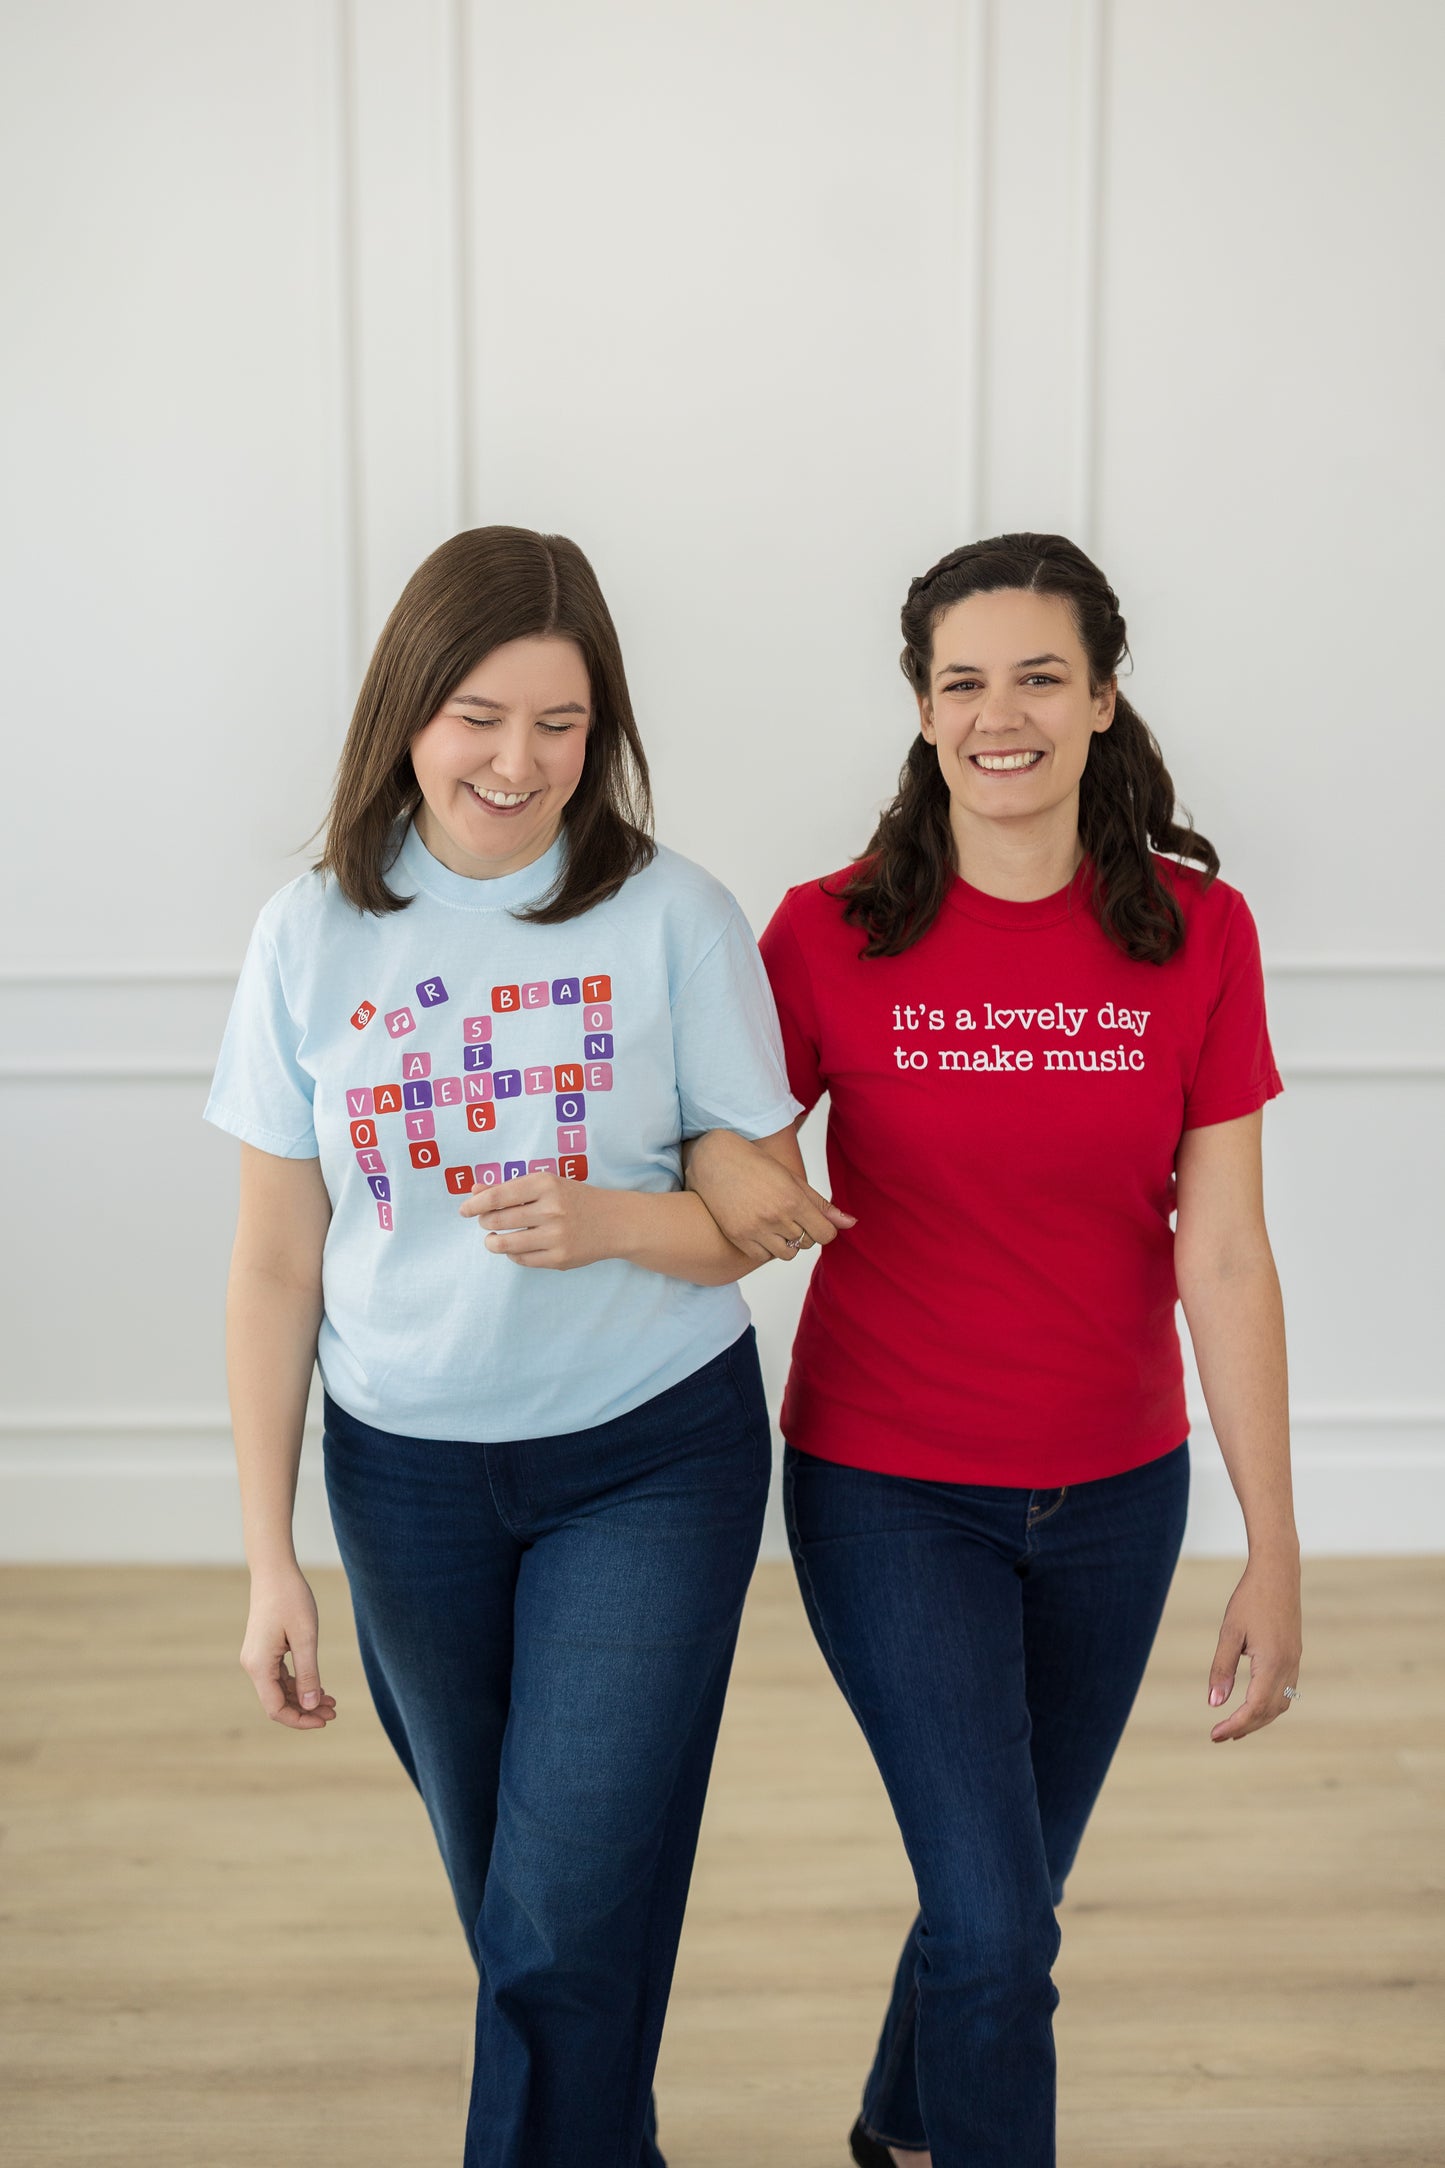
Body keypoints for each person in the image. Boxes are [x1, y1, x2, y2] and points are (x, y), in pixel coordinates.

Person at [201, 525, 833, 2168]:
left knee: (559, 1919)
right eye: (480, 713)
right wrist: (271, 1559)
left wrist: (618, 1216)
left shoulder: (673, 917)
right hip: (401, 1482)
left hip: (647, 1457)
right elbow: (276, 1267)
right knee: (531, 1908)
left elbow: (763, 1210)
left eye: (560, 721)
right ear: (407, 707)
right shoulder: (311, 935)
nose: (519, 760)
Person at [683, 533, 1304, 2168]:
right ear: (920, 707)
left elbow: (1223, 1251)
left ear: (1102, 700)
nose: (999, 713)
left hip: (1116, 1492)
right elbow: (718, 1145)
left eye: (1039, 676)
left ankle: (896, 2132)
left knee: (1003, 1897)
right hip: (888, 1488)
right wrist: (754, 1180)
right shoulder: (827, 935)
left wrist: (1273, 1547)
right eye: (963, 681)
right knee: (997, 1921)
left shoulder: (1198, 932)